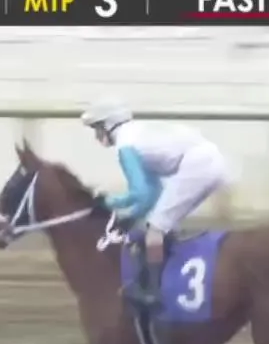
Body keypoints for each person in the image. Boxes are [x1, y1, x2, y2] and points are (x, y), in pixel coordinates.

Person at [81, 98, 228, 309]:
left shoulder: (125, 145)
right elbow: (152, 193)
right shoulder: (135, 135)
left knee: (155, 229)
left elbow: (139, 193)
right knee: (162, 223)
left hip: (199, 166)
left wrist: (109, 202)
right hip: (210, 163)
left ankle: (152, 292)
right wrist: (128, 217)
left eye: (97, 128)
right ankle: (165, 275)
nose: (97, 135)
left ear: (109, 124)